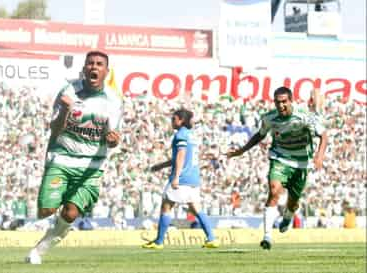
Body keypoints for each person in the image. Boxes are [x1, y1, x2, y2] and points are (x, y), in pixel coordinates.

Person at [25, 50, 123, 264]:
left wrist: (114, 139)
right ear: (84, 69)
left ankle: (38, 251)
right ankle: (55, 206)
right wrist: (65, 111)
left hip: (91, 167)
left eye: (99, 64)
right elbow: (55, 129)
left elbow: (112, 138)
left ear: (106, 71)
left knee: (70, 214)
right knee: (46, 211)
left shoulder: (114, 101)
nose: (94, 67)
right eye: (90, 63)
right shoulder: (68, 91)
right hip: (62, 159)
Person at [225, 86, 328, 250]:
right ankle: (267, 236)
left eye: (284, 102)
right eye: (277, 102)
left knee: (293, 203)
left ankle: (288, 216)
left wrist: (320, 156)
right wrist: (241, 151)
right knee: (274, 192)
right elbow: (260, 134)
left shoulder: (304, 116)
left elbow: (323, 135)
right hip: (279, 158)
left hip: (301, 163)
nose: (281, 105)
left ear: (291, 100)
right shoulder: (269, 118)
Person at [142, 109, 219, 249]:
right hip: (194, 178)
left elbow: (181, 156)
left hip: (182, 177)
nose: (172, 122)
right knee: (196, 208)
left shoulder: (181, 135)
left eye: (174, 119)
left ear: (180, 120)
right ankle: (212, 239)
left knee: (166, 206)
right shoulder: (191, 135)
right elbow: (183, 156)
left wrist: (176, 177)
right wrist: (161, 165)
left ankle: (158, 242)